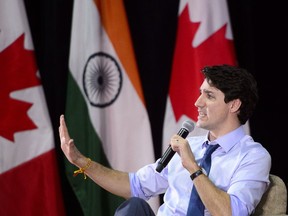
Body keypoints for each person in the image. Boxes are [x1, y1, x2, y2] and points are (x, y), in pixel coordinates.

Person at [59, 64, 271, 216]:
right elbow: (133, 185)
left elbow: (231, 213)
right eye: (200, 94)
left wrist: (193, 168)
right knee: (133, 208)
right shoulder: (192, 146)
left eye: (209, 96)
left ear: (233, 105)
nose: (197, 102)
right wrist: (81, 161)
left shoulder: (253, 156)